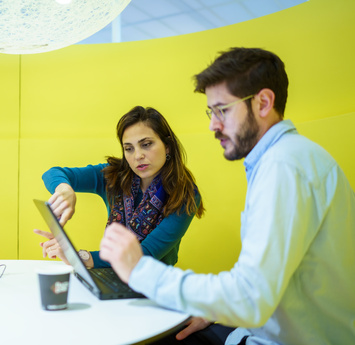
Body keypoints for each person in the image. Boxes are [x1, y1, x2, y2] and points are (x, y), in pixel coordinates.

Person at [99, 48, 355, 345]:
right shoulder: (291, 158)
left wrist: (140, 270)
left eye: (222, 110)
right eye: (211, 112)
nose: (213, 125)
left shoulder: (283, 167)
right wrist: (210, 308)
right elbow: (268, 285)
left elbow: (249, 296)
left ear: (263, 102)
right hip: (256, 329)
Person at [34, 106, 204, 269]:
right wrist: (65, 189)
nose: (137, 156)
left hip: (153, 285)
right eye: (128, 148)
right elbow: (52, 173)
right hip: (110, 275)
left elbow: (145, 255)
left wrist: (80, 257)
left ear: (167, 146)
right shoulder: (114, 176)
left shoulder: (185, 194)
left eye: (146, 144)